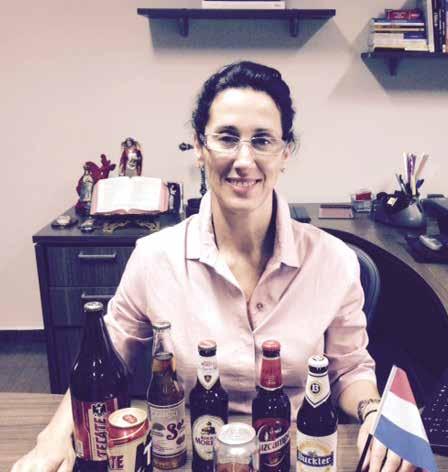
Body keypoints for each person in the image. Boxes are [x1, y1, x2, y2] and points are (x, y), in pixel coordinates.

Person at [13, 61, 415, 472]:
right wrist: (52, 439)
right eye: (226, 138)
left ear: (285, 154)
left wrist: (373, 413)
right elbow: (103, 359)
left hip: (295, 457)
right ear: (200, 147)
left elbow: (350, 369)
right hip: (192, 458)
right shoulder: (154, 258)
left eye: (262, 140)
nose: (244, 160)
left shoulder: (332, 260)